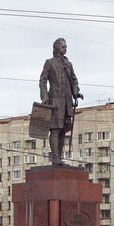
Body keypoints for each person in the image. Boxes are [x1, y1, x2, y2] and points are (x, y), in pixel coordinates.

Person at [38, 37, 83, 165]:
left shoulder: (68, 64)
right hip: (55, 101)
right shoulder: (50, 63)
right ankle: (55, 158)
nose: (65, 49)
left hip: (67, 101)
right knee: (55, 129)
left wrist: (76, 92)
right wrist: (45, 97)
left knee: (63, 130)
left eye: (66, 47)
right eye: (63, 46)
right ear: (57, 47)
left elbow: (74, 80)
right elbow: (42, 81)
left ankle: (59, 157)